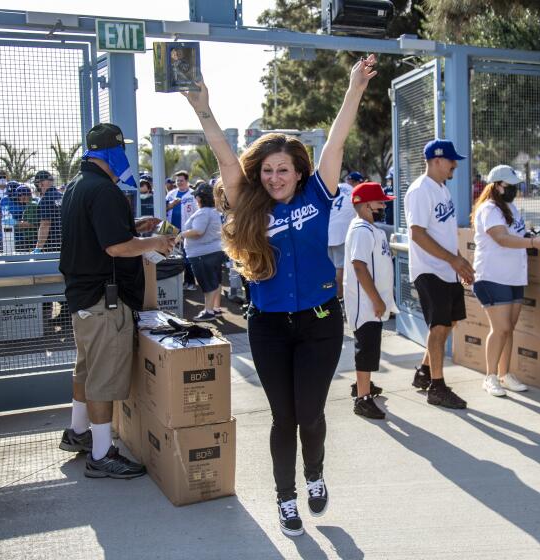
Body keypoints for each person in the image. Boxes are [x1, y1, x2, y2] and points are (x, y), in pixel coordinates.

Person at [183, 54, 377, 537]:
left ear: (297, 171)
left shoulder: (317, 192)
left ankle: (314, 476)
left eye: (283, 169)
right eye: (267, 170)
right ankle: (285, 498)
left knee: (309, 414)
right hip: (269, 325)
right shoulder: (250, 203)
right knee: (282, 417)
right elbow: (227, 157)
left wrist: (354, 86)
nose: (275, 177)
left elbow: (335, 141)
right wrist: (203, 109)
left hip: (319, 322)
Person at [58, 123, 171, 478]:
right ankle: (102, 453)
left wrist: (135, 226)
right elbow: (115, 247)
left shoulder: (77, 185)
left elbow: (101, 233)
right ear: (112, 152)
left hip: (81, 297)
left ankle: (78, 433)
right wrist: (155, 243)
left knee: (86, 369)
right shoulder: (104, 190)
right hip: (103, 300)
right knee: (102, 379)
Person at [405, 139, 475, 409]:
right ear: (436, 160)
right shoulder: (421, 190)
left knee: (451, 322)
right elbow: (417, 233)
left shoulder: (442, 189)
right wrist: (453, 260)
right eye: (450, 160)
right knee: (439, 326)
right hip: (428, 269)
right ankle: (437, 386)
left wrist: (460, 264)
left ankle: (424, 371)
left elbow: (443, 231)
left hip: (447, 268)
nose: (454, 165)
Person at [472, 165, 540, 397]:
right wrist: (533, 244)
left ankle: (505, 374)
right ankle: (490, 376)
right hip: (492, 276)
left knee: (509, 329)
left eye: (516, 185)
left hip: (514, 276)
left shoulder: (511, 208)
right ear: (496, 185)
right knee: (501, 328)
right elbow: (502, 238)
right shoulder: (489, 209)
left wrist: (537, 238)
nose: (514, 189)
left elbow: (519, 235)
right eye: (510, 185)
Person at [343, 182, 398, 419]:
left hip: (373, 302)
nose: (383, 205)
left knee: (371, 347)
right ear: (365, 205)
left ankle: (362, 385)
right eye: (379, 202)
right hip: (365, 303)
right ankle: (362, 399)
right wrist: (376, 299)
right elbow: (359, 266)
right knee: (365, 349)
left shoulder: (371, 228)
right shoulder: (361, 230)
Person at [176, 183, 225, 322]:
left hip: (202, 253)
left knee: (207, 283)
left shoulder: (203, 212)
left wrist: (182, 235)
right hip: (213, 250)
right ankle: (215, 309)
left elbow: (198, 231)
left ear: (199, 198)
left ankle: (209, 311)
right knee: (215, 281)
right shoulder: (215, 211)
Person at [328, 171, 362, 298]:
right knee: (340, 267)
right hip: (341, 233)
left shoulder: (335, 187)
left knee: (329, 268)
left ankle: (330, 296)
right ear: (356, 182)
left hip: (326, 231)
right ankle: (339, 296)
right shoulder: (355, 192)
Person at [166, 170, 198, 291]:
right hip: (170, 229)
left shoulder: (193, 194)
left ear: (187, 181)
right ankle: (175, 284)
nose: (179, 182)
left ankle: (190, 282)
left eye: (181, 180)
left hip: (186, 230)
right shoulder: (170, 194)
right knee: (171, 255)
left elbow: (197, 212)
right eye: (177, 180)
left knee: (187, 257)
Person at [32, 170, 63, 253]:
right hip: (67, 240)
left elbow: (45, 224)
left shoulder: (45, 199)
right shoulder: (62, 196)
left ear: (40, 183)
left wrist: (38, 247)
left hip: (53, 243)